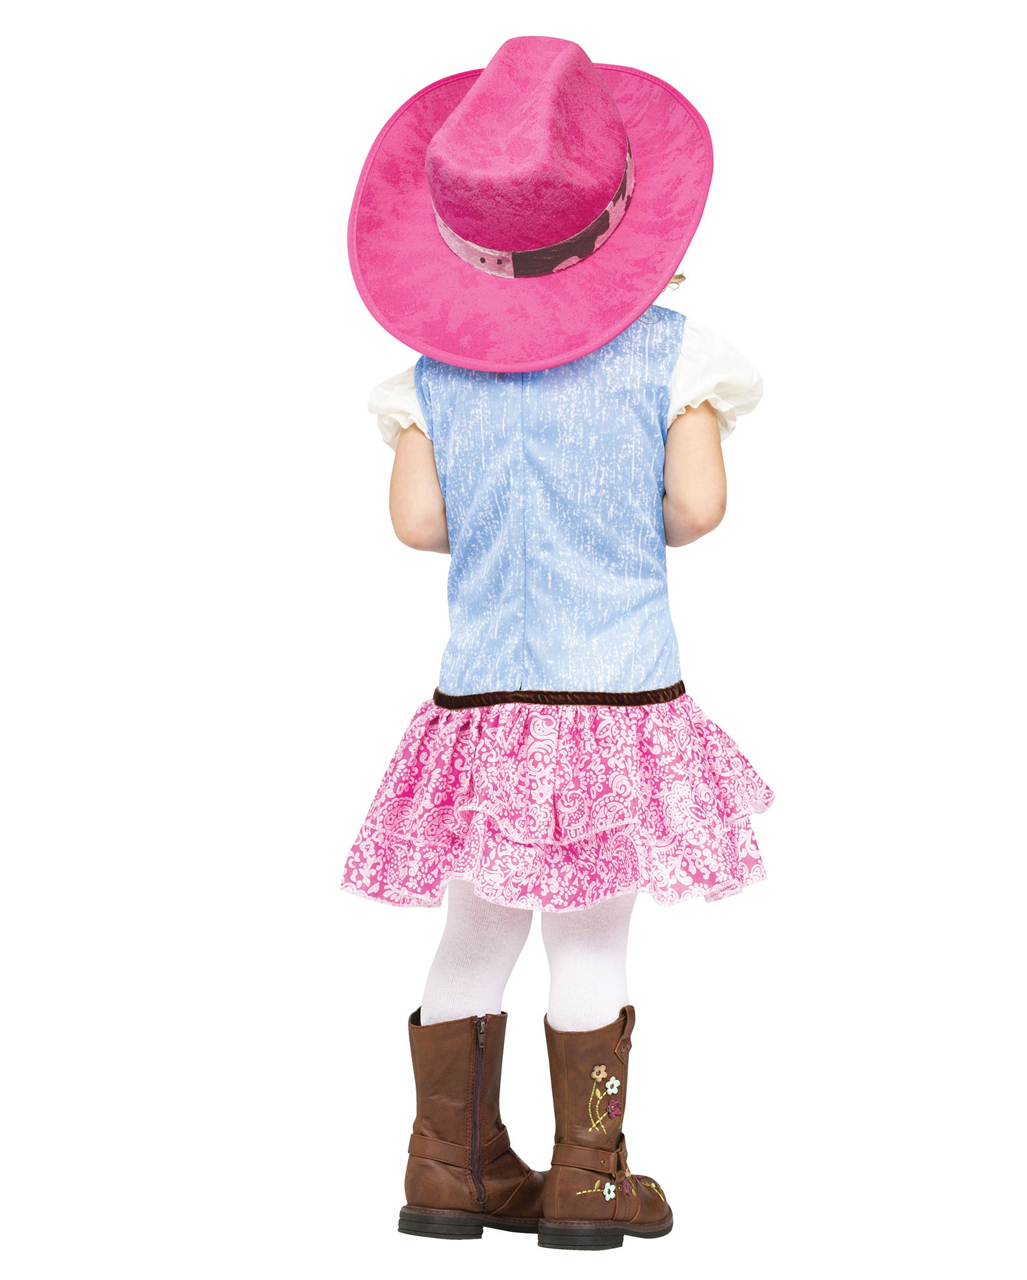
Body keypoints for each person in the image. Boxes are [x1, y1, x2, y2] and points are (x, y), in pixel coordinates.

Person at [343, 35, 774, 1251]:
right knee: (591, 935)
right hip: (615, 700)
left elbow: (417, 523)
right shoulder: (674, 354)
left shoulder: (431, 378)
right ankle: (590, 1172)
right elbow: (696, 509)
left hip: (482, 706)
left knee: (473, 930)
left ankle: (449, 1167)